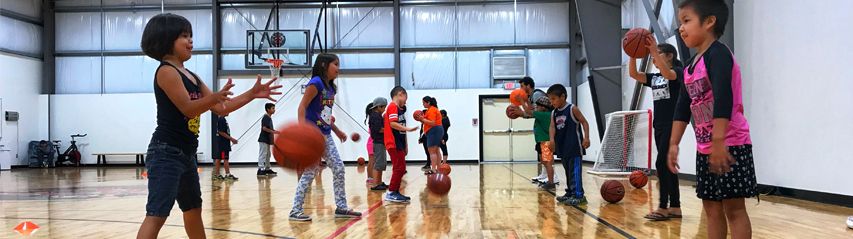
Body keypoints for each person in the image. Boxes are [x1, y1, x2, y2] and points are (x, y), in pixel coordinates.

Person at [137, 13, 281, 239]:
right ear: (166, 39)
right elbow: (188, 108)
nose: (191, 40)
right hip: (165, 152)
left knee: (193, 209)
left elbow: (222, 108)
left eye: (191, 35)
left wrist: (252, 94)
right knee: (157, 214)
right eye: (184, 36)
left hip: (186, 154)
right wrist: (214, 97)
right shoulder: (166, 71)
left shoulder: (192, 76)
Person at [669, 1, 755, 238]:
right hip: (705, 147)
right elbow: (682, 108)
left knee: (734, 209)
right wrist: (674, 143)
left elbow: (724, 98)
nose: (681, 29)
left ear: (709, 22)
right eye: (680, 23)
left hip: (730, 145)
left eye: (686, 21)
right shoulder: (688, 68)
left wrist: (719, 141)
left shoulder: (719, 54)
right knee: (711, 208)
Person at [289, 53, 362, 221]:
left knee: (338, 167)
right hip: (312, 135)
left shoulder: (330, 88)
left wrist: (336, 130)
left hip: (326, 134)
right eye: (335, 64)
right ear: (324, 65)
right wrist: (303, 132)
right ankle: (295, 210)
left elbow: (325, 114)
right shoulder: (316, 83)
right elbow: (301, 108)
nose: (338, 68)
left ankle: (341, 208)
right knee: (310, 172)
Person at [629, 41, 685, 220]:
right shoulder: (654, 78)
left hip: (672, 124)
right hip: (659, 124)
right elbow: (633, 74)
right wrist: (632, 53)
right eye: (653, 55)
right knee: (668, 165)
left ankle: (662, 207)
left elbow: (668, 74)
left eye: (657, 54)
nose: (653, 57)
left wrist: (652, 48)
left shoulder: (677, 72)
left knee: (661, 163)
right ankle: (675, 207)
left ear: (669, 56)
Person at [547, 84, 591, 206]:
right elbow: (552, 127)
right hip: (563, 146)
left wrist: (586, 138)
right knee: (567, 171)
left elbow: (584, 122)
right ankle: (570, 192)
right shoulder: (554, 113)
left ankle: (579, 195)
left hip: (575, 146)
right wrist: (551, 140)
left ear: (563, 96)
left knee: (575, 171)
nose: (552, 102)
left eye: (553, 99)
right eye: (550, 99)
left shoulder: (572, 109)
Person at [384, 86, 419, 203]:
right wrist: (408, 129)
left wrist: (405, 145)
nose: (406, 101)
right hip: (392, 142)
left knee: (401, 168)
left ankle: (395, 191)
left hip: (399, 143)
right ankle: (391, 192)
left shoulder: (399, 109)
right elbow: (393, 124)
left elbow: (401, 130)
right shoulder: (392, 106)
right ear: (400, 94)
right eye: (405, 98)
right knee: (398, 168)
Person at [418, 96, 444, 174]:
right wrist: (422, 119)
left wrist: (422, 119)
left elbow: (432, 123)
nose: (423, 105)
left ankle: (433, 169)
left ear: (428, 102)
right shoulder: (432, 109)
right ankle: (438, 169)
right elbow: (427, 121)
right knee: (436, 150)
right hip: (436, 130)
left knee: (432, 151)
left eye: (423, 103)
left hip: (434, 130)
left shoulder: (432, 110)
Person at [368, 97, 389, 191]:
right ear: (379, 107)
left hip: (381, 142)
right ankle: (375, 184)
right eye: (384, 107)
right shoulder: (375, 116)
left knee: (381, 163)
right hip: (378, 142)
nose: (384, 109)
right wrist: (389, 130)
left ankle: (379, 182)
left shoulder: (378, 115)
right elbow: (379, 129)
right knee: (378, 164)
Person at [213, 113, 239, 181]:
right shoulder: (221, 119)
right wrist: (231, 139)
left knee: (219, 158)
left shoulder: (222, 119)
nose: (229, 112)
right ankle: (227, 175)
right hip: (223, 143)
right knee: (225, 158)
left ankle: (217, 174)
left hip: (222, 143)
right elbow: (221, 132)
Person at [257, 103, 278, 177]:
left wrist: (275, 132)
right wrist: (274, 132)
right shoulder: (266, 117)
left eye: (274, 108)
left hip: (267, 140)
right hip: (263, 139)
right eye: (272, 108)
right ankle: (260, 169)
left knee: (268, 155)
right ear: (268, 109)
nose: (274, 110)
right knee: (263, 154)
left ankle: (267, 168)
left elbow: (270, 129)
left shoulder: (269, 118)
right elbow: (264, 128)